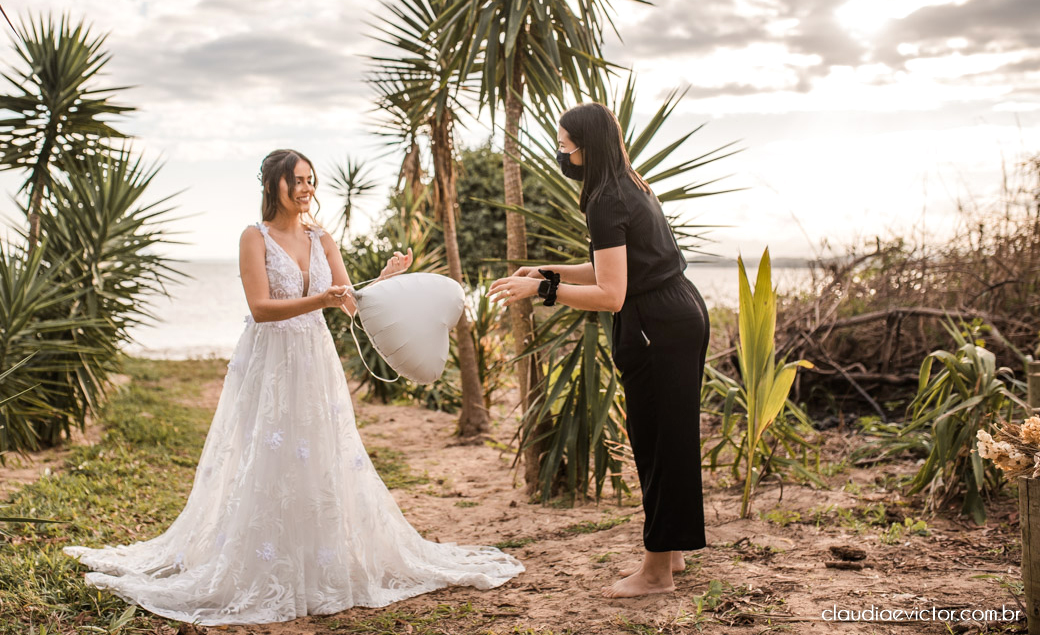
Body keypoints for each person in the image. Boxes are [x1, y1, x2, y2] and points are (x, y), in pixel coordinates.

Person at [65, 148, 524, 625]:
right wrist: (316, 300)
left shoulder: (322, 237)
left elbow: (350, 303)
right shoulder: (254, 237)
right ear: (273, 186)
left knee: (321, 454)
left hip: (314, 357)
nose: (306, 189)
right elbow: (261, 308)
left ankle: (319, 560)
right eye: (297, 181)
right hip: (269, 361)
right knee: (267, 454)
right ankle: (262, 558)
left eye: (310, 180)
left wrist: (387, 280)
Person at [488, 104, 710, 598]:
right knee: (668, 438)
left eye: (566, 146)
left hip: (657, 325)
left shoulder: (605, 200)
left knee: (657, 441)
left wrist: (541, 293)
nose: (562, 154)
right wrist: (548, 272)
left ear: (589, 146)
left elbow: (612, 294)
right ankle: (669, 552)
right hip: (678, 311)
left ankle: (656, 575)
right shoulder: (630, 184)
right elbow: (613, 269)